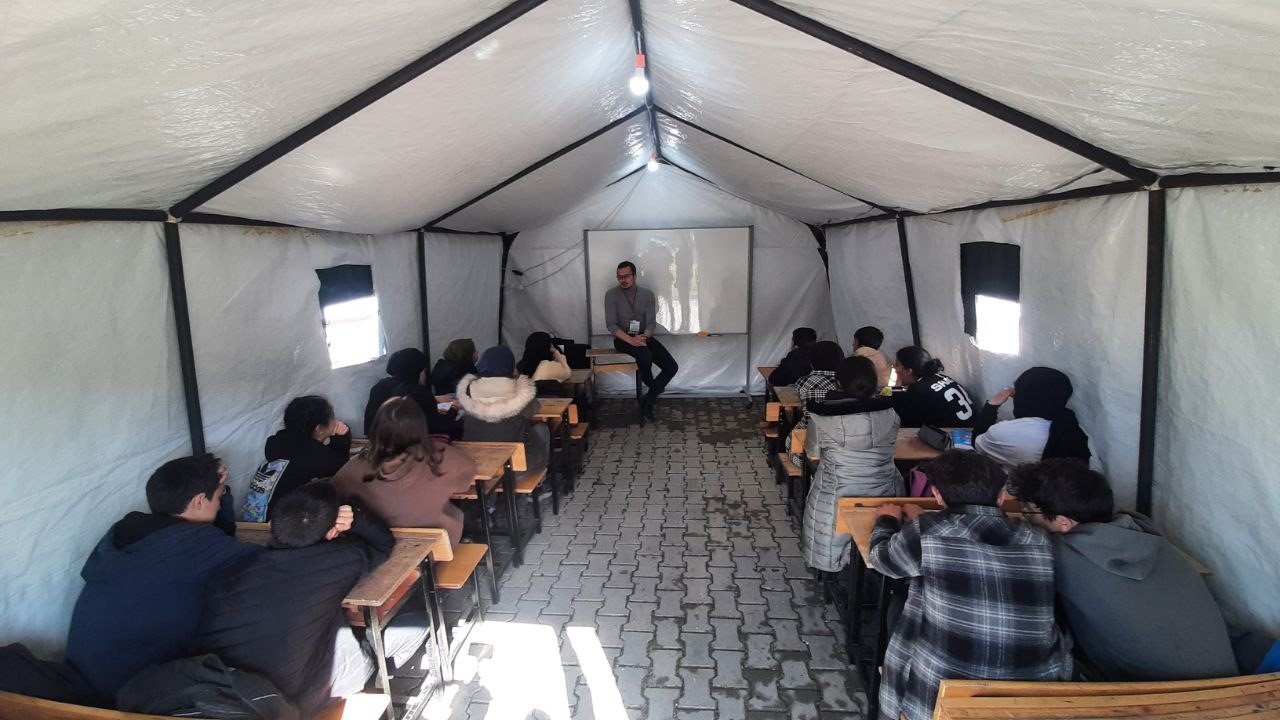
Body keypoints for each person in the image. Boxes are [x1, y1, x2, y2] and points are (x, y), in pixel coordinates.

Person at [870, 451, 1069, 720]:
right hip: (1030, 697)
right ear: (1001, 497)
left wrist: (886, 521)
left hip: (937, 696)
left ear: (938, 496)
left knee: (903, 600)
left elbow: (882, 560)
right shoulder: (1037, 538)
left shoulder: (929, 530)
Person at [193, 483, 421, 717]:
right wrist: (357, 518)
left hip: (226, 694)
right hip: (296, 700)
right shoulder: (342, 558)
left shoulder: (231, 570)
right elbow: (383, 543)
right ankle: (377, 675)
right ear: (333, 532)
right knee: (416, 624)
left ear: (274, 525)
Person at [1008, 459, 1237, 681]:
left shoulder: (1061, 555)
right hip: (1227, 676)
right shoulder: (1145, 534)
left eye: (1028, 512)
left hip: (1160, 695)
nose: (1025, 519)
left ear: (1063, 523)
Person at [63, 454, 258, 704]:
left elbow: (214, 536)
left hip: (83, 681)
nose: (220, 504)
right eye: (219, 497)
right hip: (126, 698)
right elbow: (269, 564)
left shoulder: (125, 532)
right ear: (199, 501)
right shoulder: (194, 545)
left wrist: (219, 491)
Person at [801, 356, 902, 572]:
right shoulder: (891, 415)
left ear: (838, 384)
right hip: (885, 494)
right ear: (875, 383)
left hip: (836, 497)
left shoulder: (821, 417)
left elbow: (812, 454)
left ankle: (835, 571)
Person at [333, 398, 476, 548]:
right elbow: (464, 484)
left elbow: (334, 494)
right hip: (436, 546)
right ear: (421, 426)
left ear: (376, 428)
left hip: (379, 549)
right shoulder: (441, 455)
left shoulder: (355, 466)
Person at [973, 366, 1099, 471]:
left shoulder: (1006, 433)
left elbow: (977, 442)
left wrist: (991, 406)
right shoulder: (1074, 428)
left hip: (1026, 495)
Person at [455, 346, 550, 477]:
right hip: (514, 467)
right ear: (510, 365)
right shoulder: (520, 390)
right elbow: (535, 408)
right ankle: (539, 483)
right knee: (541, 429)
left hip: (478, 464)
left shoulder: (468, 390)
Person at [605, 260, 679, 420]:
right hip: (622, 338)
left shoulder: (647, 294)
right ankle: (652, 387)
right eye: (619, 277)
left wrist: (644, 337)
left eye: (626, 276)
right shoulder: (611, 295)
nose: (623, 280)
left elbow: (651, 322)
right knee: (645, 355)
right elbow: (611, 325)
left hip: (644, 336)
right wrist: (631, 341)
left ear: (635, 276)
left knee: (671, 367)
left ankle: (648, 400)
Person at [263, 395, 351, 516]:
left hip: (259, 511)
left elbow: (318, 457)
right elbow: (341, 467)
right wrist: (342, 437)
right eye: (332, 417)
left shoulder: (275, 442)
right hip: (285, 520)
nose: (335, 421)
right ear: (319, 428)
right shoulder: (313, 455)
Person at [363, 348, 463, 440]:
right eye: (423, 371)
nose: (424, 375)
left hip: (377, 443)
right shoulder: (419, 391)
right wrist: (454, 408)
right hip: (404, 447)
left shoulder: (379, 386)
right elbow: (440, 427)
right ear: (416, 371)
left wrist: (433, 399)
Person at [891, 346, 975, 428]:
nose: (894, 368)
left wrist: (897, 385)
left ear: (908, 371)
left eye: (897, 364)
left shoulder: (917, 390)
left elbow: (907, 423)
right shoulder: (940, 376)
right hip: (973, 429)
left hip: (957, 437)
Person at [516, 331, 571, 397]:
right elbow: (567, 372)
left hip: (525, 404)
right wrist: (557, 352)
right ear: (548, 346)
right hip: (548, 405)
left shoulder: (520, 366)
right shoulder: (547, 366)